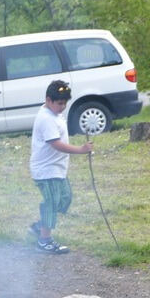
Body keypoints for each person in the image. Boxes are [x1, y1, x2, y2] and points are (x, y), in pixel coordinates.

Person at [29, 80, 93, 254]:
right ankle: (44, 240)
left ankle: (40, 226)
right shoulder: (46, 118)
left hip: (58, 168)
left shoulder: (55, 114)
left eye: (65, 103)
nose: (63, 106)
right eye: (59, 103)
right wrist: (81, 150)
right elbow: (56, 144)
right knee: (51, 203)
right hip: (46, 170)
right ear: (48, 100)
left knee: (65, 198)